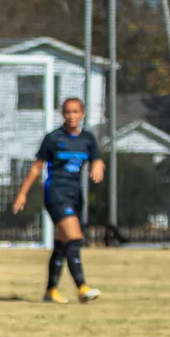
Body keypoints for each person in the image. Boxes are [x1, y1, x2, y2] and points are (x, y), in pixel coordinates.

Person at [12, 97, 105, 304]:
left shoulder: (88, 139)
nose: (71, 116)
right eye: (67, 112)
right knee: (74, 238)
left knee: (63, 244)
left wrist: (98, 164)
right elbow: (37, 166)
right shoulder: (53, 138)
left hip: (75, 196)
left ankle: (50, 291)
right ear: (63, 114)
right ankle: (82, 287)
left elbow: (96, 158)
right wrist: (22, 193)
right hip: (56, 194)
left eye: (75, 112)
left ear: (82, 114)